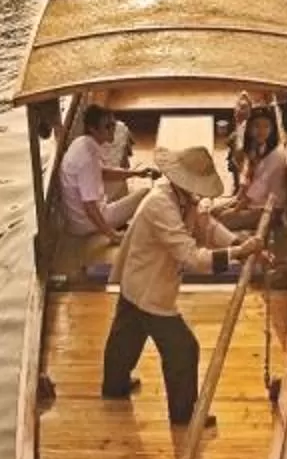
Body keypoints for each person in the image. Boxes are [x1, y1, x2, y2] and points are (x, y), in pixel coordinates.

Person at [104, 145, 262, 429]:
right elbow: (191, 257)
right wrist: (236, 255)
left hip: (138, 282)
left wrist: (238, 244)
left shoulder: (185, 198)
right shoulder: (159, 204)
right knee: (183, 349)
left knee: (125, 336)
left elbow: (208, 226)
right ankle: (184, 415)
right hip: (149, 287)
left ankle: (115, 386)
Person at [52, 103, 150, 259]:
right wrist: (113, 235)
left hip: (78, 213)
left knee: (121, 179)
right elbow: (89, 206)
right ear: (93, 129)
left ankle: (118, 218)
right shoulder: (87, 160)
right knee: (146, 193)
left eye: (113, 124)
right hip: (85, 223)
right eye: (108, 126)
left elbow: (102, 173)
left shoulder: (83, 142)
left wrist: (136, 173)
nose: (113, 129)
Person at [218, 103, 287, 228]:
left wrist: (236, 209)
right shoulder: (258, 147)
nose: (261, 131)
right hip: (254, 201)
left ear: (272, 129)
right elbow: (248, 176)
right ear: (250, 128)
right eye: (256, 126)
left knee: (221, 220)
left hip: (269, 209)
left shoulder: (275, 156)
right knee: (213, 212)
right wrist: (236, 200)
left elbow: (257, 189)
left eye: (266, 127)